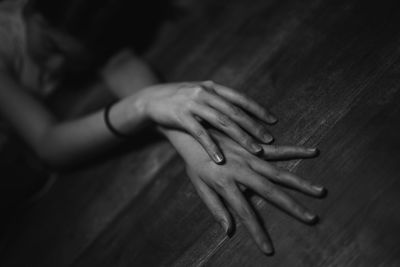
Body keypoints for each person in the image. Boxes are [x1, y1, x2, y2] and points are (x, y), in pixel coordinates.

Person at [0, 0, 326, 255]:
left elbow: (120, 63)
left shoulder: (82, 17)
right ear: (30, 9)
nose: (55, 68)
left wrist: (196, 144)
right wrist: (144, 103)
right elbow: (48, 143)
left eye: (73, 59)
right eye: (52, 47)